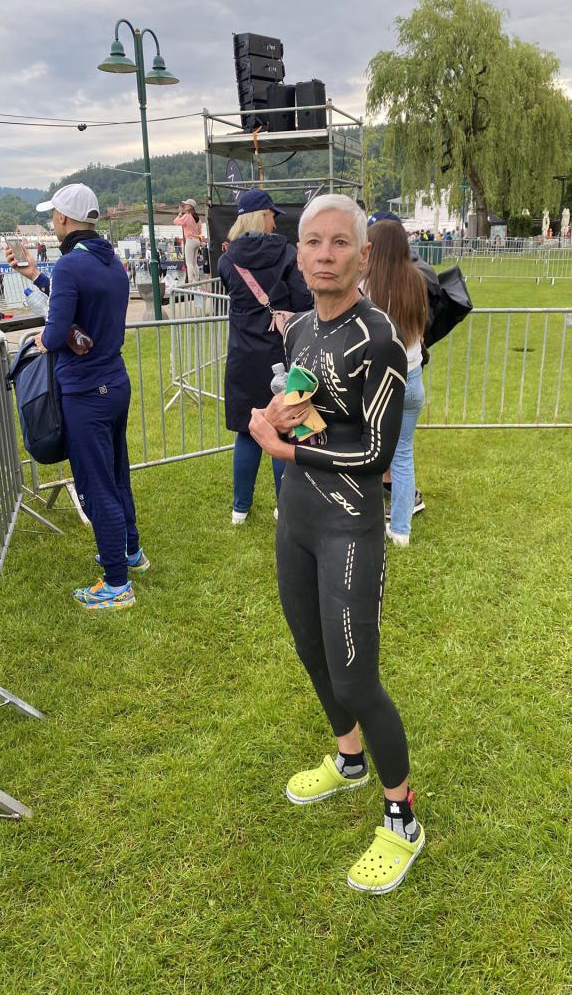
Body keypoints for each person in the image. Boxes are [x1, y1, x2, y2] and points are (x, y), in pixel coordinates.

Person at [248, 194, 424, 894]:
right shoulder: (298, 331)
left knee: (355, 677)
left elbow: (376, 454)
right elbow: (312, 414)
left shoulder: (380, 340)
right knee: (310, 648)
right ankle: (349, 759)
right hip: (297, 519)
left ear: (363, 256)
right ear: (299, 255)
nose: (325, 255)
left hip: (349, 525)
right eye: (314, 242)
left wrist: (285, 451)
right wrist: (282, 417)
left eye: (339, 243)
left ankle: (402, 817)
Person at [5, 183, 148, 610]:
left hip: (86, 390)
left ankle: (116, 584)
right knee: (117, 472)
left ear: (64, 219)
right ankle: (131, 552)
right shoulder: (111, 261)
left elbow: (56, 332)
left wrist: (43, 339)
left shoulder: (70, 264)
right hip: (114, 382)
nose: (53, 221)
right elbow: (82, 303)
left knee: (95, 483)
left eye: (53, 215)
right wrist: (35, 275)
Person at [218, 188, 312, 525]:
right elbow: (303, 300)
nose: (275, 222)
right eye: (272, 215)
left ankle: (239, 509)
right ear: (262, 216)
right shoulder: (287, 253)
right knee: (283, 429)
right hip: (281, 354)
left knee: (247, 430)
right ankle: (283, 505)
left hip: (243, 355)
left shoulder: (227, 260)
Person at [362, 219, 428, 546]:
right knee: (402, 454)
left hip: (380, 381)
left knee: (368, 451)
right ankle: (401, 529)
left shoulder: (366, 287)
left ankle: (364, 519)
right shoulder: (416, 281)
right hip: (412, 377)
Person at [173, 199, 202, 285]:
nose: (184, 206)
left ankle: (190, 282)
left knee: (189, 263)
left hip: (190, 240)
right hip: (197, 240)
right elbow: (200, 231)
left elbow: (176, 221)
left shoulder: (187, 216)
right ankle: (197, 281)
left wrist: (180, 214)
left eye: (186, 205)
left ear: (190, 206)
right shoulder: (197, 218)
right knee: (195, 263)